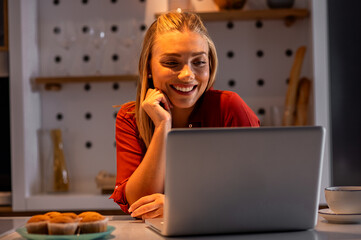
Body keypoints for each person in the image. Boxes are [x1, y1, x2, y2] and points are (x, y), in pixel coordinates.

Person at [110, 11, 260, 220]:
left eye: (199, 62)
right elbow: (139, 203)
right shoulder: (130, 117)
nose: (187, 75)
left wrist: (180, 206)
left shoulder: (230, 107)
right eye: (172, 63)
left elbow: (257, 193)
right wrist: (163, 126)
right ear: (148, 68)